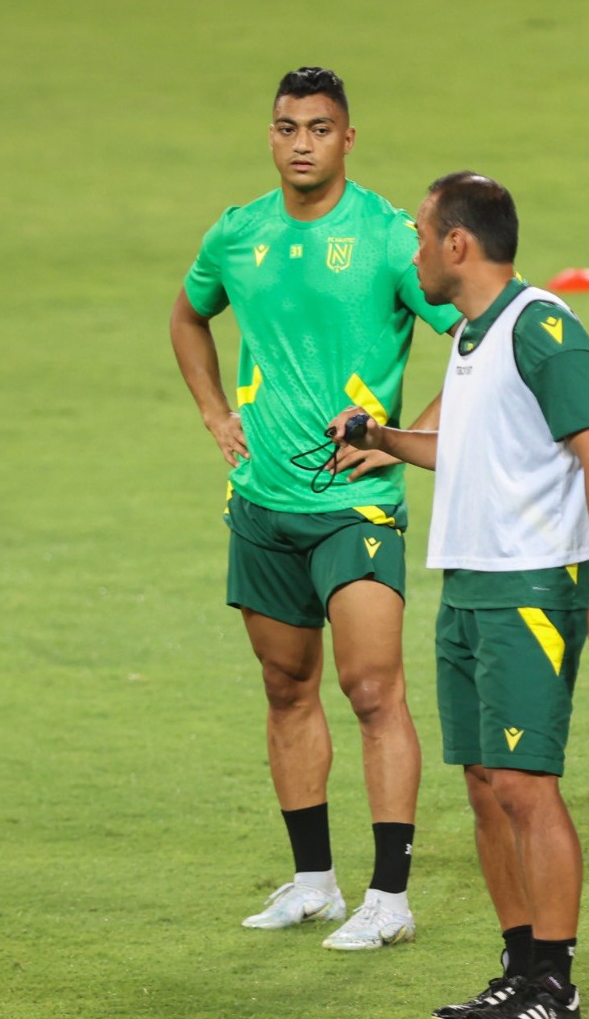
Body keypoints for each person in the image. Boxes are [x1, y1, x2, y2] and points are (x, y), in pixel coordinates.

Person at [328, 172, 589, 1019]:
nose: (415, 255)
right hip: (468, 585)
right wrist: (381, 439)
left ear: (458, 243)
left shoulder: (542, 327)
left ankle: (556, 986)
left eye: (422, 237)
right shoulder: (473, 333)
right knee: (483, 783)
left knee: (526, 786)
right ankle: (519, 970)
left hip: (531, 585)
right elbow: (464, 448)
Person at [169, 66, 460, 951]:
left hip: (354, 506)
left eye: (320, 129)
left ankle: (390, 898)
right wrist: (215, 414)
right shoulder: (238, 233)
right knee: (285, 687)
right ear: (271, 134)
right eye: (288, 127)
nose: (302, 144)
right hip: (261, 505)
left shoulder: (387, 237)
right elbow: (187, 316)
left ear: (348, 139)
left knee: (372, 690)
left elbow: (478, 335)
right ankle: (313, 885)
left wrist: (402, 439)